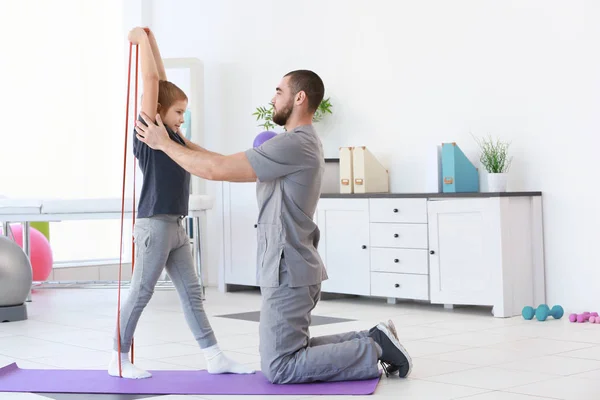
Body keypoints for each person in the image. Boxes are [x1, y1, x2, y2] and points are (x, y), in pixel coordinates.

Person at [134, 69, 412, 384]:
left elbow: (216, 170)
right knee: (290, 353)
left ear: (299, 97)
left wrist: (165, 145)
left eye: (278, 91)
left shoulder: (295, 144)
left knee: (281, 367)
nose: (272, 98)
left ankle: (373, 348)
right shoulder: (294, 143)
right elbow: (222, 159)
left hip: (288, 269)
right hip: (288, 266)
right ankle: (373, 337)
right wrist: (177, 140)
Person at [109, 27, 254, 379]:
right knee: (141, 293)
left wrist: (151, 38)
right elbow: (151, 79)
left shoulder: (173, 138)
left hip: (175, 226)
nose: (182, 118)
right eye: (177, 112)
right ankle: (117, 359)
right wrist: (139, 39)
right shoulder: (148, 133)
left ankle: (214, 356)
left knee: (192, 294)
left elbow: (161, 79)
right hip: (153, 225)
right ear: (157, 111)